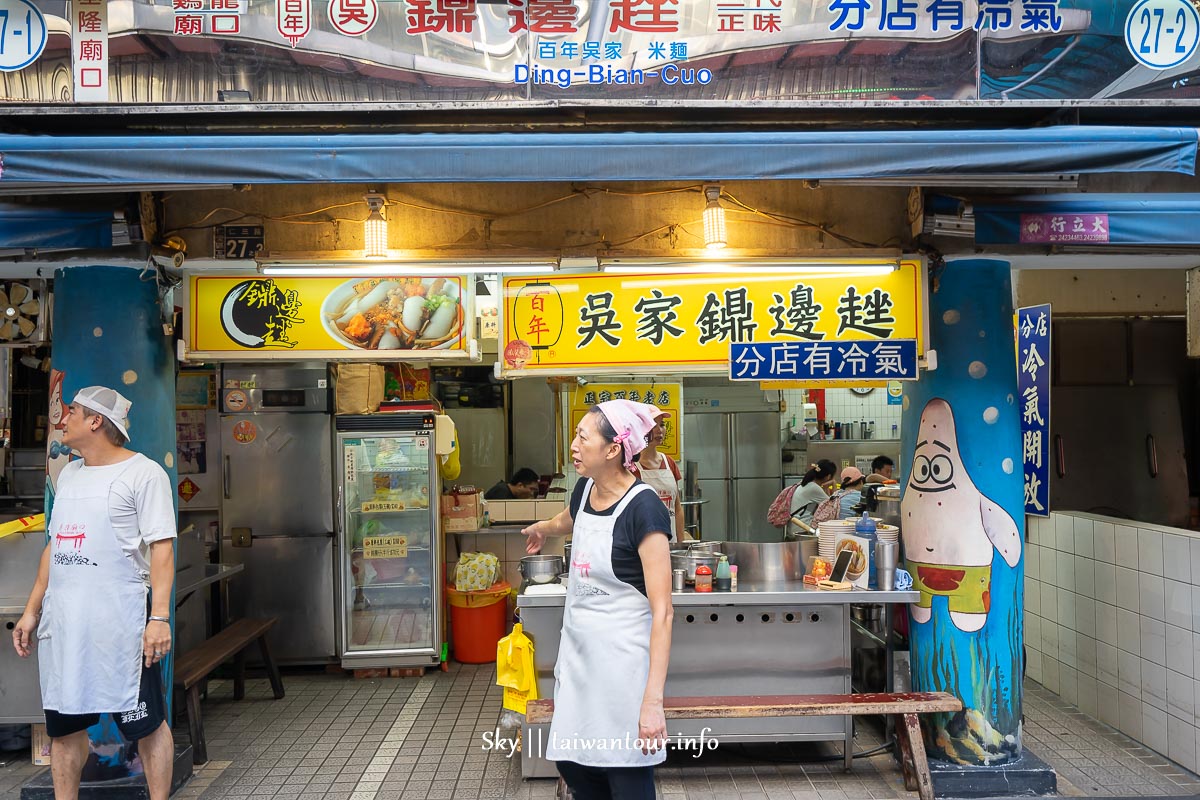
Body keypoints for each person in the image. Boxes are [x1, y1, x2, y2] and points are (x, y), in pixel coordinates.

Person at [11, 386, 177, 800]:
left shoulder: (144, 473)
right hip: (65, 623)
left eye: (73, 413)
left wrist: (158, 618)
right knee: (64, 726)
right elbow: (56, 544)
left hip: (122, 623)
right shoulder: (68, 473)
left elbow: (162, 547)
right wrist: (32, 610)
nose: (62, 419)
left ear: (96, 421)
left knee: (147, 723)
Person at [522, 401, 673, 800]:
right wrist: (543, 527)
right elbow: (567, 519)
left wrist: (652, 703)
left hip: (623, 674)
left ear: (611, 450)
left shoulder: (644, 509)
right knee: (574, 765)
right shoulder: (586, 488)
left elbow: (663, 612)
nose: (573, 445)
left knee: (624, 774)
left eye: (582, 437)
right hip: (580, 667)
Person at [629, 410, 685, 542]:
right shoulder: (630, 466)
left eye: (662, 425)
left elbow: (677, 508)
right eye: (653, 425)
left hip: (670, 540)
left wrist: (681, 544)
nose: (659, 430)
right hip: (642, 542)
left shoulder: (669, 462)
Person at [789, 459, 838, 526]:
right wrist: (834, 484)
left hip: (796, 524)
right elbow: (835, 506)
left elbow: (826, 503)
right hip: (802, 526)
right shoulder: (814, 488)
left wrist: (826, 488)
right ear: (829, 476)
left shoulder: (807, 484)